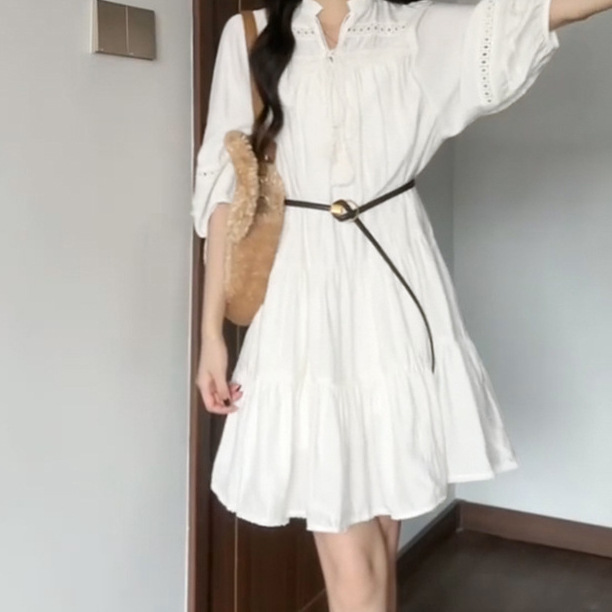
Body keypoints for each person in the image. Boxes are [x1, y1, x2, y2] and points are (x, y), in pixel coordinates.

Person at [192, 1, 608, 610]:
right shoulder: (250, 34)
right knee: (355, 559)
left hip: (394, 293)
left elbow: (540, 12)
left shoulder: (414, 30)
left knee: (377, 546)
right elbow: (224, 191)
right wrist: (211, 336)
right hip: (303, 303)